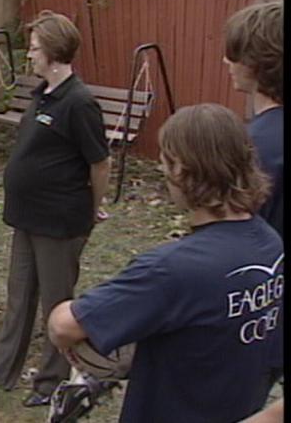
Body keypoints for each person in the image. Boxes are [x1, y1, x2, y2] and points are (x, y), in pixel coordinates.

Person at [47, 103, 282, 423]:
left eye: (164, 162)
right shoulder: (270, 245)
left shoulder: (173, 269)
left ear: (181, 169)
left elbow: (64, 326)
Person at [0, 10, 111, 408]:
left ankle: (51, 382)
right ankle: (0, 368)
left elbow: (100, 162)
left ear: (54, 52)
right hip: (26, 215)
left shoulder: (79, 102)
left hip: (59, 220)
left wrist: (93, 209)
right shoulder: (43, 93)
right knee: (19, 294)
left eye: (34, 47)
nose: (29, 54)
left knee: (56, 303)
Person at [223, 0, 284, 401]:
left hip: (253, 307)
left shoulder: (253, 145)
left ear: (257, 62)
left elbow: (228, 239)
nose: (227, 61)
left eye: (235, 53)